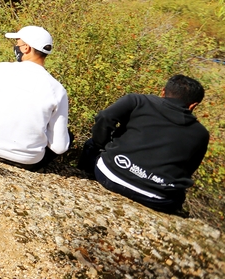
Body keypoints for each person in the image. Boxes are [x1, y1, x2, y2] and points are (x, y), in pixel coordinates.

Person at [78, 75, 209, 213]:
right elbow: (188, 170)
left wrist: (103, 144)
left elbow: (104, 117)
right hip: (157, 199)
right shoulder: (201, 133)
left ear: (163, 92)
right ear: (193, 105)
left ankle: (85, 177)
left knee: (91, 144)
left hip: (109, 176)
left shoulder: (138, 100)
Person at [0, 25, 71, 171]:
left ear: (26, 48)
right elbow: (59, 147)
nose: (16, 47)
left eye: (17, 43)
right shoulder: (58, 90)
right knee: (68, 136)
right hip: (29, 161)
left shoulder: (1, 68)